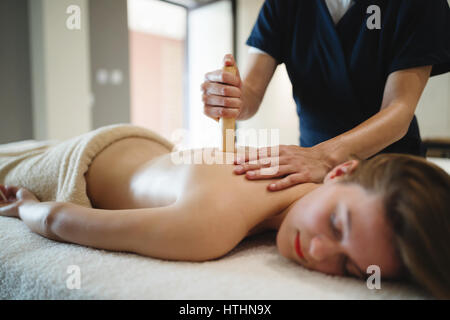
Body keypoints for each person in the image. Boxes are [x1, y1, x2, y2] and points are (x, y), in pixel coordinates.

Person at [0, 128, 449, 298]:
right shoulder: (208, 228)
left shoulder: (293, 168)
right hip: (76, 166)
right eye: (336, 224)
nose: (316, 250)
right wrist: (28, 208)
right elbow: (60, 220)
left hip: (145, 143)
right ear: (340, 172)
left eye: (349, 266)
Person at [201, 0, 450, 191]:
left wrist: (323, 157)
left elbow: (398, 110)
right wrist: (231, 96)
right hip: (311, 174)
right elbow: (251, 93)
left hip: (390, 173)